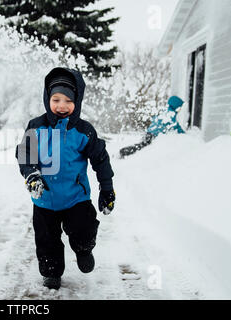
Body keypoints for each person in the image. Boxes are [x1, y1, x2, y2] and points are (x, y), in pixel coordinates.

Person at [15, 67, 115, 290]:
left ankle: (84, 249)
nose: (61, 105)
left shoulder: (83, 131)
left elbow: (100, 159)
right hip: (44, 200)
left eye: (68, 100)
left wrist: (107, 188)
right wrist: (32, 174)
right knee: (46, 240)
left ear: (77, 101)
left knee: (84, 228)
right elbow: (25, 153)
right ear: (47, 98)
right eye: (56, 99)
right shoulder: (36, 126)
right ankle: (51, 272)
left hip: (75, 197)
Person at [119, 96, 186, 158]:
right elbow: (176, 126)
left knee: (140, 146)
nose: (180, 109)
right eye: (180, 107)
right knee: (141, 148)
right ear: (175, 105)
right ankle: (124, 152)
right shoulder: (171, 114)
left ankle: (124, 152)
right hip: (153, 135)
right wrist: (185, 135)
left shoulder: (165, 112)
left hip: (150, 133)